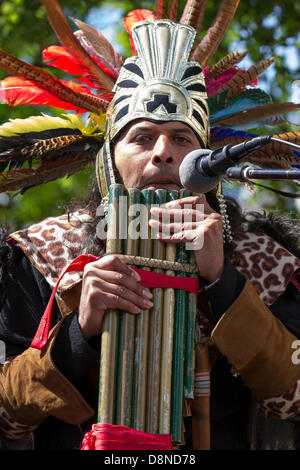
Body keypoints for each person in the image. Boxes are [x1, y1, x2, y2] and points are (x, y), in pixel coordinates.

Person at [0, 0, 299, 450]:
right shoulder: (43, 254)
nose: (163, 153)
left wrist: (223, 283)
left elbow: (293, 399)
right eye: (141, 138)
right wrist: (78, 334)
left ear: (207, 163)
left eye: (181, 139)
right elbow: (6, 417)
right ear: (109, 161)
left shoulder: (267, 262)